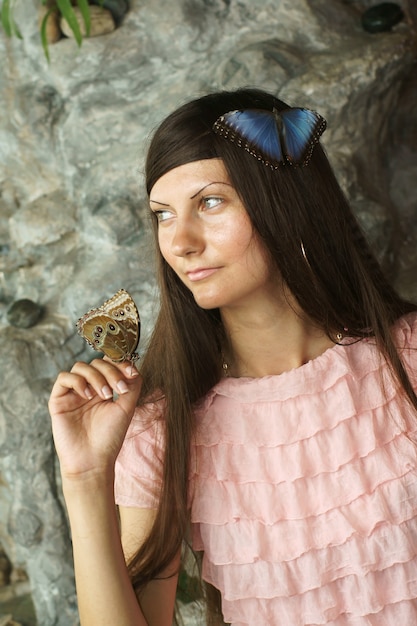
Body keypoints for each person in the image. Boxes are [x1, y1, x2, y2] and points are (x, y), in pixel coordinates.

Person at [48, 87, 417, 626]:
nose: (180, 242)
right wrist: (84, 480)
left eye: (210, 202)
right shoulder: (162, 425)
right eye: (163, 215)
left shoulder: (407, 356)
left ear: (285, 203)